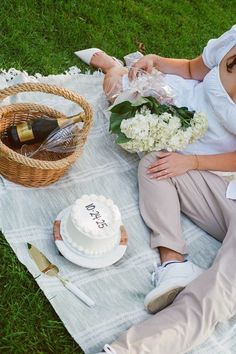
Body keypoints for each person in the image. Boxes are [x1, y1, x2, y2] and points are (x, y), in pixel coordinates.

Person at [76, 25, 236, 354]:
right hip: (221, 189)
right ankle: (174, 263)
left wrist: (191, 163)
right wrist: (156, 59)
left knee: (217, 290)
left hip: (219, 174)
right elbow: (194, 69)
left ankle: (132, 350)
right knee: (155, 160)